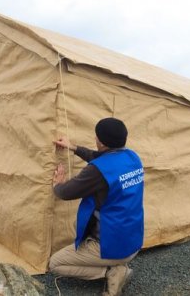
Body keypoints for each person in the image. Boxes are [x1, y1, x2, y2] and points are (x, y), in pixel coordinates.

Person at [49, 117, 144, 296]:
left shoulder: (97, 171)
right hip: (133, 241)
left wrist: (58, 185)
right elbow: (102, 159)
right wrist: (74, 147)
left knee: (56, 264)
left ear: (100, 141)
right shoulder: (132, 157)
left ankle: (112, 271)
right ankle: (115, 264)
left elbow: (65, 193)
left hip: (111, 246)